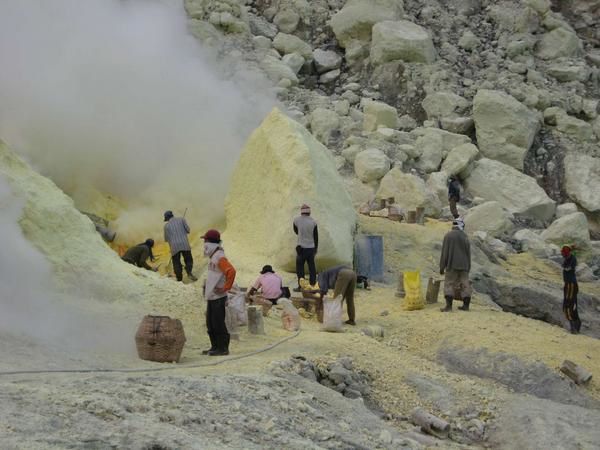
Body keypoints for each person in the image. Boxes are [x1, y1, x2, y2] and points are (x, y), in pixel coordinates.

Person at [202, 229, 236, 356]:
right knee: (210, 323)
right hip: (212, 296)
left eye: (205, 241)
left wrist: (225, 287)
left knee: (218, 323)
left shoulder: (219, 257)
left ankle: (223, 348)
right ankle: (214, 347)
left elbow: (231, 271)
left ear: (210, 242)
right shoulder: (214, 256)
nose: (204, 244)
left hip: (218, 297)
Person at [439, 217, 471, 312]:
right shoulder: (465, 236)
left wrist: (442, 266)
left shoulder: (448, 236)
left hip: (452, 265)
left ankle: (448, 306)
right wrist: (468, 266)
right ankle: (466, 306)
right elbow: (468, 253)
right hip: (464, 265)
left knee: (449, 284)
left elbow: (444, 252)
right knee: (465, 285)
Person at [163, 210, 197, 282]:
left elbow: (166, 239)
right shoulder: (182, 219)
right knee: (188, 259)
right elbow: (188, 230)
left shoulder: (166, 226)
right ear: (172, 215)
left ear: (167, 218)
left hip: (174, 246)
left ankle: (179, 279)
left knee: (176, 262)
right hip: (184, 244)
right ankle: (189, 273)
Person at [293, 204, 318, 291]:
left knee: (300, 268)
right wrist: (316, 249)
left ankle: (301, 286)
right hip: (311, 248)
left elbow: (295, 231)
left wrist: (301, 234)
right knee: (312, 268)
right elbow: (316, 237)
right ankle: (313, 285)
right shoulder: (313, 222)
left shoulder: (296, 220)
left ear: (301, 212)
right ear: (309, 212)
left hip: (300, 248)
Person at [562, 244, 581, 334]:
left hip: (571, 284)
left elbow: (568, 268)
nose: (563, 253)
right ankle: (575, 325)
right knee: (569, 303)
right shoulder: (568, 258)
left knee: (569, 303)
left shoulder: (572, 259)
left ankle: (573, 326)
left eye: (564, 251)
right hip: (568, 284)